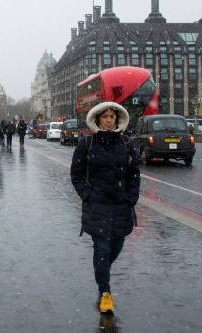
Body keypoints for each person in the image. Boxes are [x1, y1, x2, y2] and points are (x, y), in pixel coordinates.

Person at [70, 102, 140, 315]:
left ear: (117, 120)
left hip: (120, 206)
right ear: (98, 119)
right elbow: (77, 175)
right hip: (97, 206)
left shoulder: (127, 144)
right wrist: (87, 195)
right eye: (105, 116)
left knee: (115, 249)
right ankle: (105, 292)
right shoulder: (86, 143)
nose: (109, 120)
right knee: (102, 250)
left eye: (112, 117)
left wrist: (131, 198)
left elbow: (134, 174)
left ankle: (102, 273)